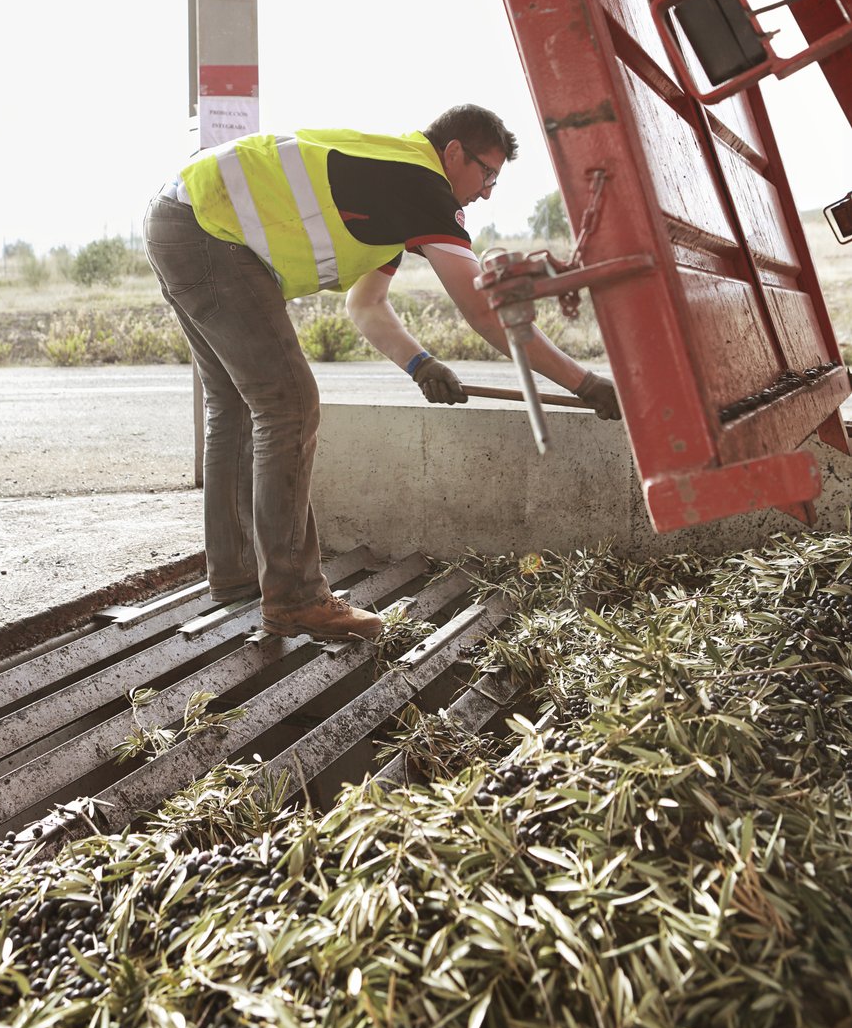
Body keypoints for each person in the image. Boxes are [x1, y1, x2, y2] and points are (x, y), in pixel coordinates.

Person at [143, 104, 619, 643]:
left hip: (182, 216)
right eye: (487, 173)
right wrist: (585, 382)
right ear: (454, 153)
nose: (487, 191)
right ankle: (296, 597)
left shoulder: (391, 185)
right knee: (288, 404)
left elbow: (366, 305)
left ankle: (237, 577)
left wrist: (420, 363)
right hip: (209, 227)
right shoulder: (421, 184)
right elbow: (485, 312)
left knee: (235, 404)